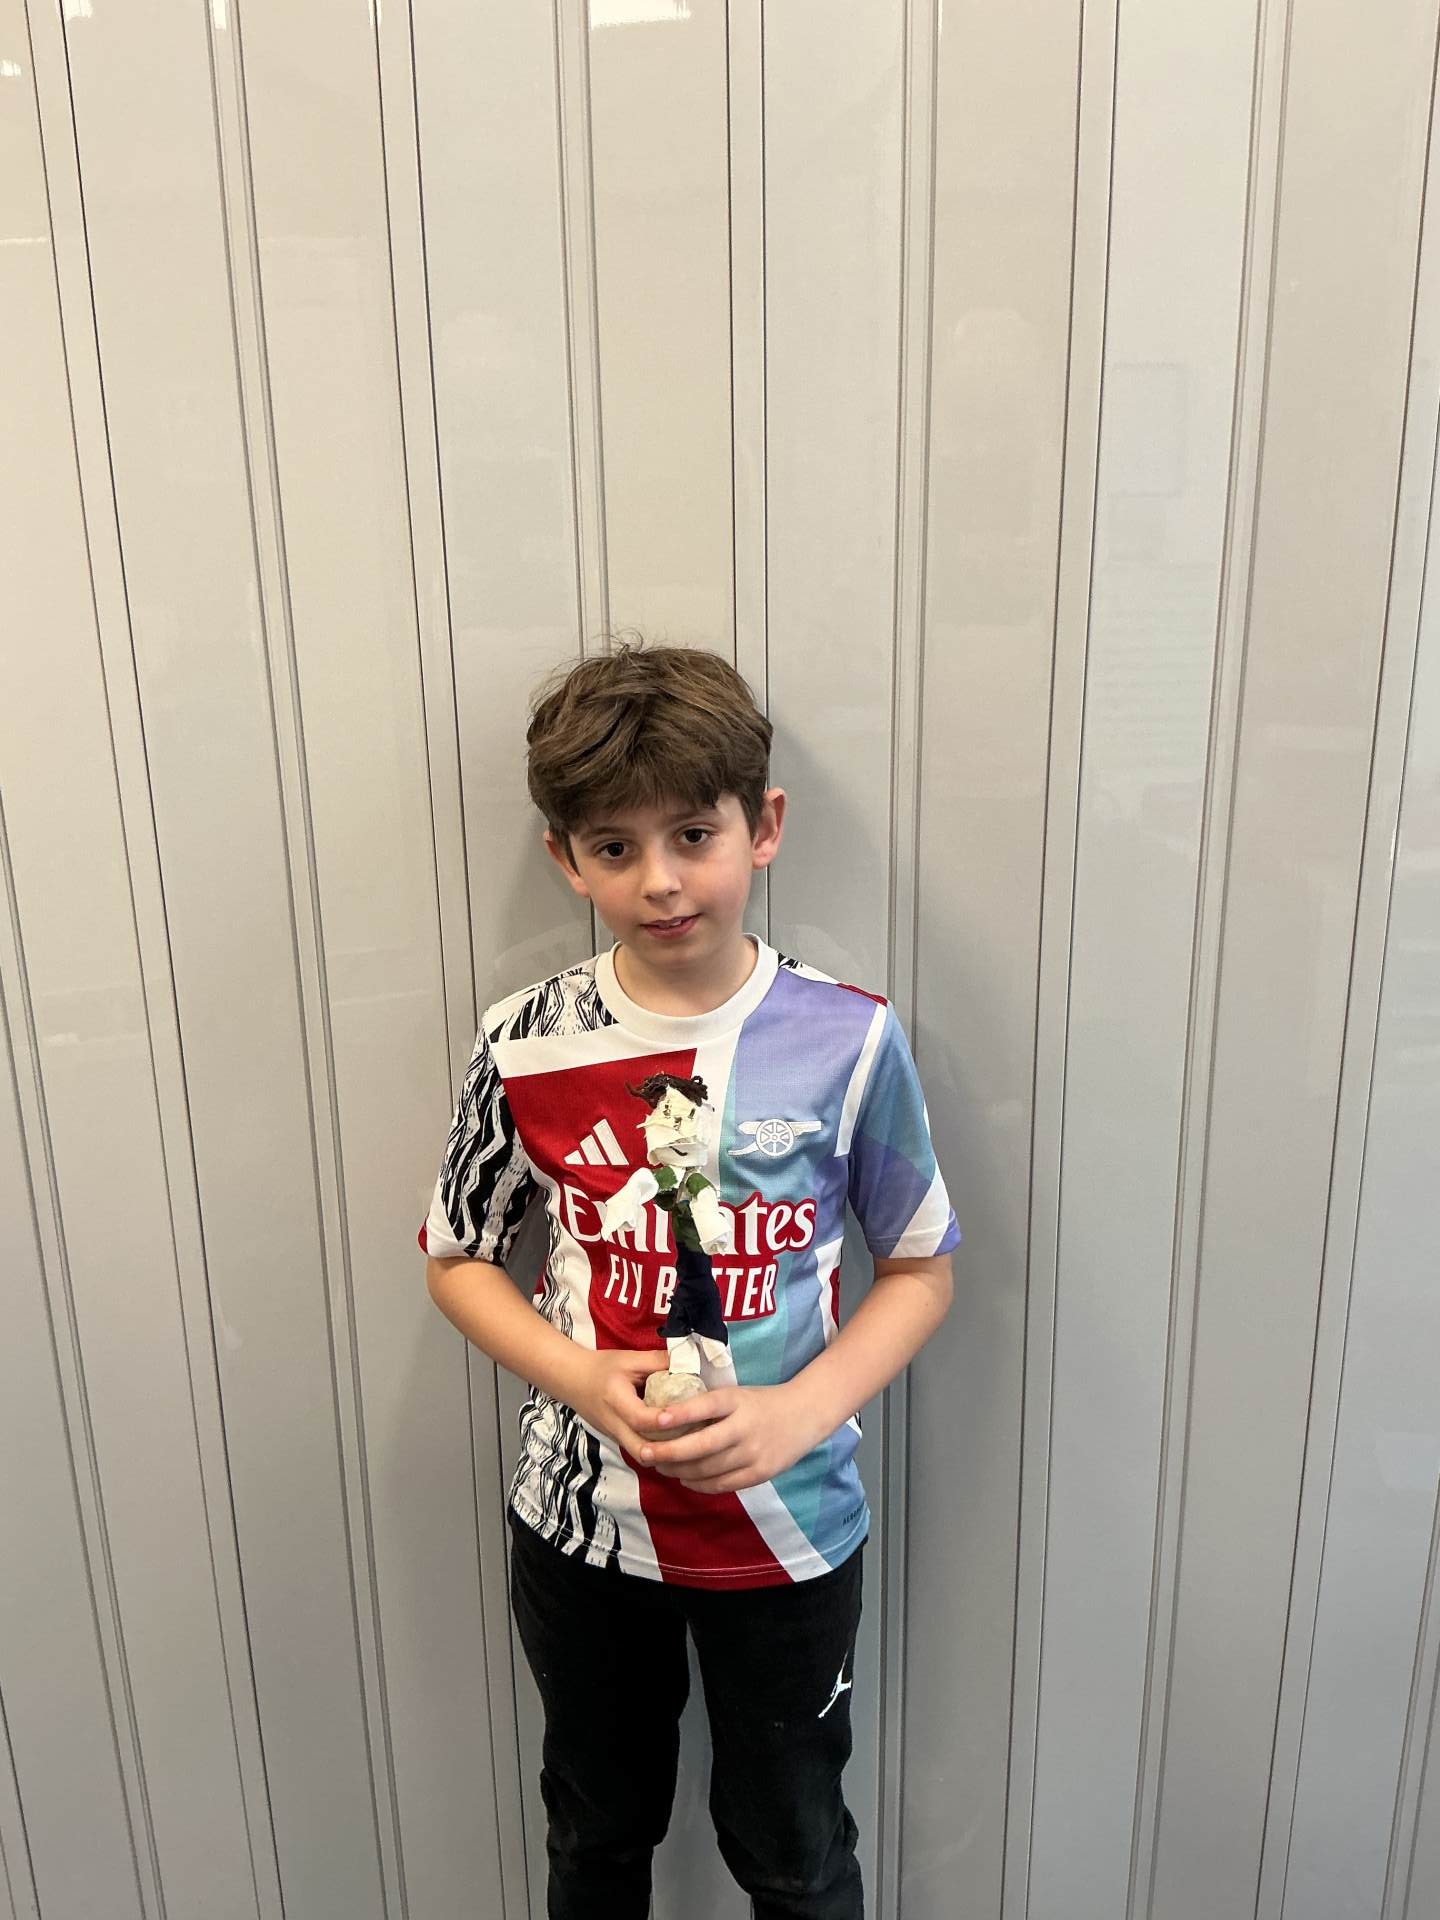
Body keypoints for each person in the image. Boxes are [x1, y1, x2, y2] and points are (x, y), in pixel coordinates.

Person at [419, 639, 961, 1920]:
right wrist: (578, 1379)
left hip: (790, 1528)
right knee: (596, 1839)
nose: (660, 881)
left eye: (694, 835)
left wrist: (796, 1413)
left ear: (762, 827)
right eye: (614, 847)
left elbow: (922, 1266)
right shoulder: (525, 1041)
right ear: (566, 859)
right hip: (584, 1528)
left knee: (797, 1856)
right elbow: (457, 1256)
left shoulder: (850, 1038)